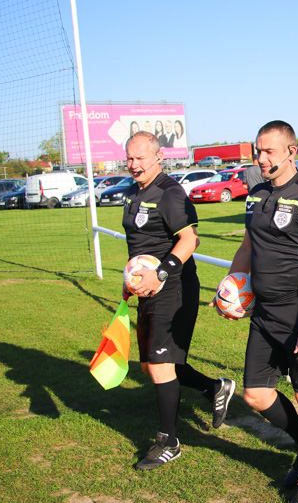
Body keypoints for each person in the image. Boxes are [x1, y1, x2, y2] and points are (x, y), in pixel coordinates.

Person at [213, 121, 298, 503]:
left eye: (268, 151)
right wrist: (232, 287)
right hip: (263, 315)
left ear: (291, 152)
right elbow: (248, 248)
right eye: (257, 150)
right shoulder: (256, 194)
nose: (260, 158)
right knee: (255, 395)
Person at [123, 131, 235, 471]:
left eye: (140, 158)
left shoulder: (171, 193)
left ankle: (168, 442)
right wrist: (132, 280)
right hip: (148, 289)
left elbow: (190, 240)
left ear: (158, 157)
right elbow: (139, 245)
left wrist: (159, 275)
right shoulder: (133, 192)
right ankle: (216, 388)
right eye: (129, 158)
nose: (133, 164)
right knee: (153, 365)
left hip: (175, 288)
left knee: (160, 366)